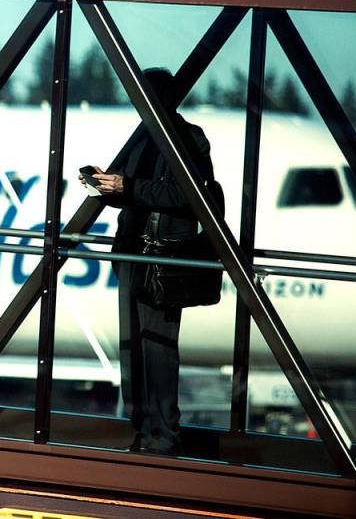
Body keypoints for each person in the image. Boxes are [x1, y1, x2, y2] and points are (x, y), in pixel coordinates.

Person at [81, 68, 215, 456]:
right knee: (134, 348)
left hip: (163, 260)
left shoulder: (186, 138)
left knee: (157, 349)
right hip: (135, 255)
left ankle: (162, 436)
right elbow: (142, 193)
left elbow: (187, 195)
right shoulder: (145, 135)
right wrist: (108, 186)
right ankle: (144, 431)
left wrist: (128, 187)